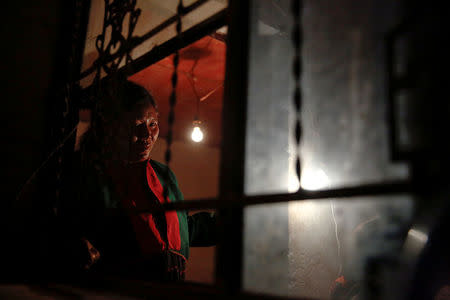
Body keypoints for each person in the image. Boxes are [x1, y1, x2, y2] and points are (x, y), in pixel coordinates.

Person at [60, 79, 215, 281]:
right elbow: (70, 225)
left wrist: (241, 222)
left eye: (153, 124)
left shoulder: (162, 174)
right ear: (113, 128)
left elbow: (183, 227)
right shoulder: (92, 171)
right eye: (137, 125)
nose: (147, 135)